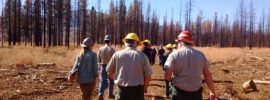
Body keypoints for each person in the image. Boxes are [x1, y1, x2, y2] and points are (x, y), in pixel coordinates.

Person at [164, 31, 217, 100]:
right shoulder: (201, 55)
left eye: (177, 43)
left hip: (178, 93)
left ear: (180, 42)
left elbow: (167, 75)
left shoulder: (174, 55)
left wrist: (172, 79)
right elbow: (207, 75)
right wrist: (212, 91)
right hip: (195, 94)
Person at [106, 33, 153, 100]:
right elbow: (148, 77)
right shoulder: (143, 57)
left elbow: (109, 73)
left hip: (121, 91)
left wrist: (118, 80)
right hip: (137, 91)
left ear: (125, 43)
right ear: (136, 43)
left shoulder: (116, 55)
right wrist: (143, 89)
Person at [98, 35, 116, 100]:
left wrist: (101, 64)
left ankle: (100, 94)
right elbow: (114, 60)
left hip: (103, 66)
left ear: (105, 41)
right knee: (111, 81)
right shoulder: (112, 49)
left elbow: (98, 59)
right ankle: (110, 94)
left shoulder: (100, 49)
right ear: (110, 41)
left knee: (102, 81)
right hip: (110, 66)